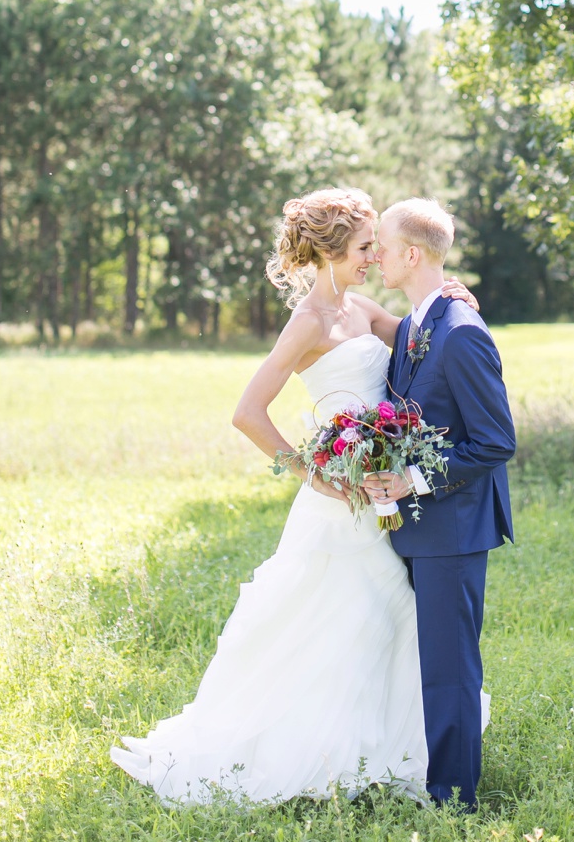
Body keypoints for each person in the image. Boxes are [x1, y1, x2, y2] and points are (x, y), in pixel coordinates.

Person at [110, 187, 495, 807]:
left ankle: (385, 753)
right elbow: (248, 412)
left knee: (387, 622)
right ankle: (313, 755)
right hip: (340, 502)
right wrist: (314, 476)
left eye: (377, 247)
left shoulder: (366, 309)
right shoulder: (307, 323)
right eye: (365, 247)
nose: (373, 257)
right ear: (332, 251)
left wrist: (450, 294)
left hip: (386, 496)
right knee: (333, 622)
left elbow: (428, 343)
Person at [362, 197, 516, 810]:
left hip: (451, 531)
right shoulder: (420, 323)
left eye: (380, 245)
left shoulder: (460, 333)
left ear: (411, 254)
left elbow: (495, 442)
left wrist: (412, 482)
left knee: (451, 668)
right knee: (419, 659)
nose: (373, 255)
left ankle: (455, 799)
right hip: (415, 531)